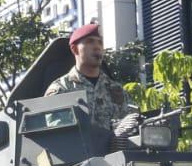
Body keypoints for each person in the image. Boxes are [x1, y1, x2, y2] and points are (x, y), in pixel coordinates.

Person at [43, 22, 141, 153]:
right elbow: (57, 134)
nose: (97, 47)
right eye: (90, 42)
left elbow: (132, 127)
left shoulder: (116, 89)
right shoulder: (61, 89)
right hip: (78, 164)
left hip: (115, 164)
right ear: (75, 49)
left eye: (99, 43)